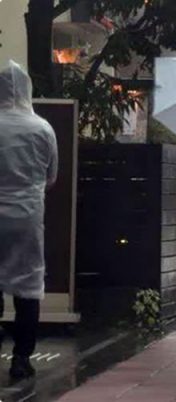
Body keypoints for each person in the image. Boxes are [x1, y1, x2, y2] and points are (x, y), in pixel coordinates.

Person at [0, 62, 58, 379]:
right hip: (27, 217)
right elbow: (51, 176)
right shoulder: (42, 129)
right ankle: (21, 359)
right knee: (28, 286)